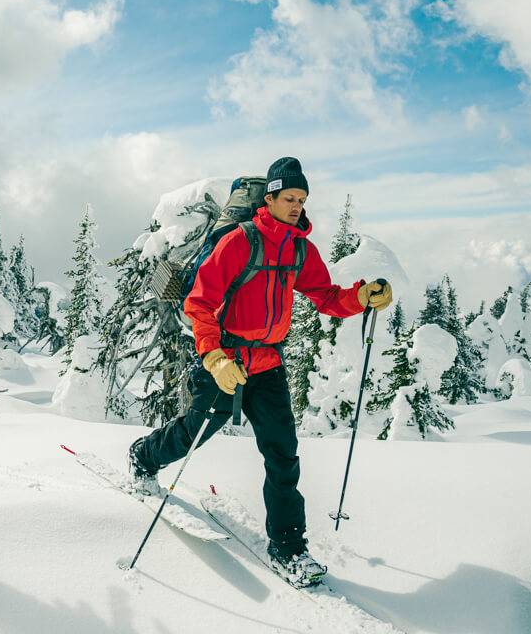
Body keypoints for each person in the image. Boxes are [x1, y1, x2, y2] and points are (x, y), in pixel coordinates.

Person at [127, 156, 392, 586]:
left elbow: (325, 296)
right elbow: (199, 303)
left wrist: (362, 297)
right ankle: (144, 456)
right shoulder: (239, 242)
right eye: (289, 197)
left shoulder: (300, 248)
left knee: (282, 454)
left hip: (267, 363)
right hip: (224, 361)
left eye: (302, 198)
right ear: (269, 197)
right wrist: (213, 358)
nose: (296, 205)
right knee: (192, 432)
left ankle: (289, 548)